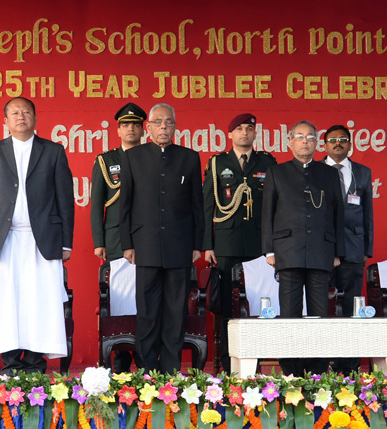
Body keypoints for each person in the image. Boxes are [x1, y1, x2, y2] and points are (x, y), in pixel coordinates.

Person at [0, 97, 75, 375]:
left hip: (42, 239)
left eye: (27, 112)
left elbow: (65, 199)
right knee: (5, 300)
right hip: (2, 240)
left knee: (39, 300)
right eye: (15, 113)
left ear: (35, 118)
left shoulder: (53, 151)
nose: (21, 117)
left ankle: (34, 363)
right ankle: (11, 364)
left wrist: (66, 242)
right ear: (5, 120)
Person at [119, 103, 204, 373]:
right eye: (158, 122)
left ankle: (170, 369)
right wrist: (127, 244)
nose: (163, 127)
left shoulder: (189, 157)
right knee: (147, 311)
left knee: (175, 311)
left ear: (175, 126)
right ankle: (146, 369)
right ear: (149, 127)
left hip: (180, 245)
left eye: (168, 122)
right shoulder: (134, 156)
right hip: (144, 244)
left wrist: (197, 245)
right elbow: (126, 205)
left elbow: (197, 206)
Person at [261, 120, 345, 376]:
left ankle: (318, 370)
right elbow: (267, 214)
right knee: (290, 314)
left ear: (316, 142)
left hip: (321, 251)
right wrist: (269, 251)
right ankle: (292, 371)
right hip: (287, 250)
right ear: (290, 142)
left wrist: (337, 252)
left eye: (310, 137)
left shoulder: (330, 173)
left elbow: (338, 214)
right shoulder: (277, 172)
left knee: (319, 313)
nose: (305, 141)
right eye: (299, 137)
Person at [203, 113, 276, 372]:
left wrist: (272, 246)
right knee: (227, 304)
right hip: (226, 243)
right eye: (239, 129)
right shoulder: (217, 163)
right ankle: (228, 362)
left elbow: (274, 206)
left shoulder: (267, 162)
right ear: (230, 134)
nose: (244, 132)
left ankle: (254, 362)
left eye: (249, 128)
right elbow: (207, 206)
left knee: (256, 303)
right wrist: (208, 245)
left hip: (258, 245)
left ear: (255, 134)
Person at [90, 103, 146, 373]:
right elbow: (97, 203)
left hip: (147, 236)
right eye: (126, 124)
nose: (131, 129)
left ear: (143, 128)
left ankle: (146, 357)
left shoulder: (153, 156)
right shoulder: (105, 160)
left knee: (147, 293)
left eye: (136, 124)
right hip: (114, 239)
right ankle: (121, 361)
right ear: (118, 129)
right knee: (120, 296)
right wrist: (98, 241)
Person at [321, 124, 374, 374]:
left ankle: (349, 369)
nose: (338, 143)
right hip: (322, 252)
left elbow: (368, 213)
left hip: (354, 249)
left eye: (343, 139)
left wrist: (367, 249)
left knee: (353, 310)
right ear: (325, 145)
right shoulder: (316, 171)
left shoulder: (363, 172)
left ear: (351, 144)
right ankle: (321, 366)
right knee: (322, 309)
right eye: (333, 140)